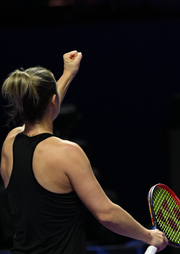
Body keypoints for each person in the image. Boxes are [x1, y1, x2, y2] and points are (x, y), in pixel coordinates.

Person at [0, 51, 168, 253]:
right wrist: (148, 235)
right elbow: (106, 213)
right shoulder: (67, 152)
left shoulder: (10, 142)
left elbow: (45, 107)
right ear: (53, 101)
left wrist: (68, 74)